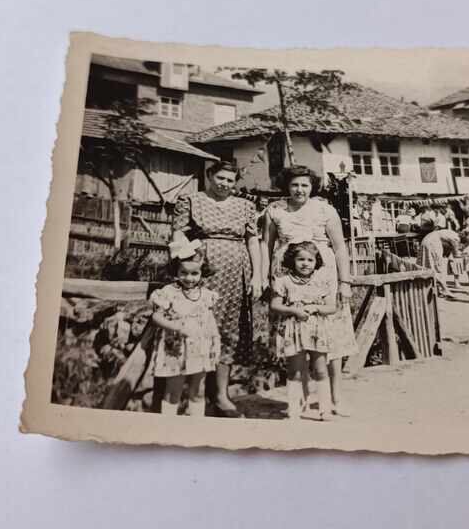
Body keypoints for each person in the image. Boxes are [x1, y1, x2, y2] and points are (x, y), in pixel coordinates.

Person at [265, 166, 358, 419]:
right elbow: (267, 245)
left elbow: (340, 248)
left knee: (331, 341)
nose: (299, 190)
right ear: (287, 185)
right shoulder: (275, 210)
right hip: (288, 281)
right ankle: (303, 400)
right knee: (295, 341)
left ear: (312, 187)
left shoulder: (326, 210)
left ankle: (335, 399)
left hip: (323, 278)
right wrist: (264, 278)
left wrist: (345, 282)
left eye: (305, 185)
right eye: (295, 184)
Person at [171, 161, 263, 418]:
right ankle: (193, 394)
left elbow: (253, 240)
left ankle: (221, 395)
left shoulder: (245, 205)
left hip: (237, 274)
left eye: (230, 180)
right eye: (220, 178)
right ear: (210, 176)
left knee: (229, 330)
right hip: (201, 274)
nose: (225, 184)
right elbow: (178, 234)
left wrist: (257, 275)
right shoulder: (191, 201)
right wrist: (187, 262)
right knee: (198, 326)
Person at [149, 236, 220, 417]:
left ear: (202, 272)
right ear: (176, 271)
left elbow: (210, 320)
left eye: (194, 273)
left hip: (201, 348)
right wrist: (174, 326)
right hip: (176, 349)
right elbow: (156, 316)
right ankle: (168, 428)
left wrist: (216, 340)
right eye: (184, 273)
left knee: (198, 390)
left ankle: (196, 427)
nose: (189, 278)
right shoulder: (168, 293)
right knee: (174, 391)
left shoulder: (206, 295)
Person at [269, 242, 340, 421]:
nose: (305, 264)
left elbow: (332, 307)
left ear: (316, 262)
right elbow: (275, 305)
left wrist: (316, 307)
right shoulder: (284, 280)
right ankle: (294, 408)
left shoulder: (321, 280)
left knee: (321, 369)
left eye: (310, 260)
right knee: (295, 371)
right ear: (292, 260)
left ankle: (325, 409)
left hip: (317, 330)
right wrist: (293, 310)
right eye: (301, 259)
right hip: (293, 331)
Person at [418, 219, 461, 298]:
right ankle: (444, 289)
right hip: (433, 243)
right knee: (437, 267)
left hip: (426, 241)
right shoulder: (456, 237)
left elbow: (447, 248)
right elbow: (455, 250)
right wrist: (457, 254)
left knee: (428, 265)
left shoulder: (446, 233)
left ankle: (438, 289)